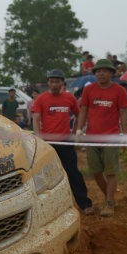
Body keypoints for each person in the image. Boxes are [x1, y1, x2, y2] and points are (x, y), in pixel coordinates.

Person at [32, 69, 94, 215]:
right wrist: (38, 136)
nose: (54, 84)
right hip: (48, 144)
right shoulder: (41, 99)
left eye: (57, 81)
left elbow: (79, 114)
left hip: (66, 142)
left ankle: (85, 204)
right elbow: (36, 118)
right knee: (47, 176)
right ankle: (49, 208)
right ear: (48, 83)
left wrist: (75, 132)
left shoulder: (69, 98)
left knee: (73, 173)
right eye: (51, 81)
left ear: (62, 83)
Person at [75, 58, 127, 218]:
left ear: (112, 73)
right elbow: (83, 110)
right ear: (95, 74)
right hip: (91, 137)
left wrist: (125, 135)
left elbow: (123, 114)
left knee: (111, 172)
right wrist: (79, 129)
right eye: (98, 71)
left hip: (111, 137)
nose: (101, 73)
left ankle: (110, 203)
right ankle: (109, 198)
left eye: (105, 71)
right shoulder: (88, 90)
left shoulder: (119, 91)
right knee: (96, 172)